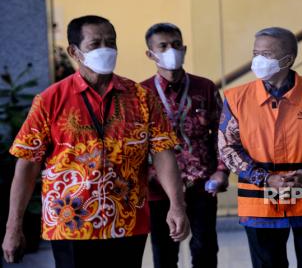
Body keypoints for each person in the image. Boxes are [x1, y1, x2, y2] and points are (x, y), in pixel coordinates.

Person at [1, 15, 190, 268]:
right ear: (74, 52)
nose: (105, 50)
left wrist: (177, 206)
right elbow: (27, 165)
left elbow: (163, 154)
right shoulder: (49, 101)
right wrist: (14, 226)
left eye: (110, 43)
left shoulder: (142, 98)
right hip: (69, 224)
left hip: (127, 222)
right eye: (95, 44)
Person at [218, 27, 302, 268]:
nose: (257, 60)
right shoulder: (236, 98)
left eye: (266, 54)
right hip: (260, 202)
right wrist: (265, 179)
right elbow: (228, 147)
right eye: (255, 52)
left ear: (288, 59)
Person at [141, 23, 229, 268]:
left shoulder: (205, 87)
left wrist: (221, 170)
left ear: (185, 48)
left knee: (205, 249)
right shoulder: (141, 93)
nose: (172, 50)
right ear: (150, 54)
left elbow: (221, 134)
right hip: (158, 187)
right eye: (164, 46)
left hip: (202, 184)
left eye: (176, 45)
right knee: (164, 252)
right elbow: (136, 143)